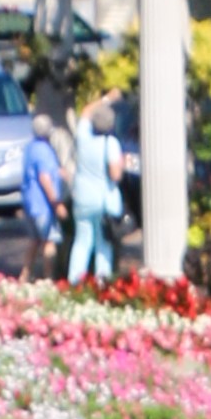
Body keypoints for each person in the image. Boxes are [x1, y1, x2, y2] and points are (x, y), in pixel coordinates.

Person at [68, 102, 124, 285]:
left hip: (82, 199)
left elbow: (84, 111)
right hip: (103, 202)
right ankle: (102, 282)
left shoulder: (83, 138)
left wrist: (106, 98)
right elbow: (115, 174)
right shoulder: (111, 143)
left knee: (81, 242)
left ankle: (74, 281)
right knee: (103, 245)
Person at [17, 119, 69, 276]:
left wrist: (60, 173)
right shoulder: (44, 150)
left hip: (29, 203)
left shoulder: (30, 148)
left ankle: (24, 275)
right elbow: (44, 178)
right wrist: (56, 203)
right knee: (49, 241)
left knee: (34, 241)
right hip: (43, 205)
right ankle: (48, 278)